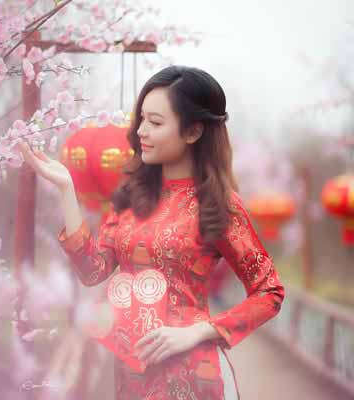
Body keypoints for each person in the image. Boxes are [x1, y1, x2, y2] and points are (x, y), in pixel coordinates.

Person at [17, 65, 285, 400]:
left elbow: (269, 291)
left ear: (192, 131)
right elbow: (92, 270)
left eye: (156, 123)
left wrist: (201, 331)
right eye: (141, 119)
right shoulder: (131, 197)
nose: (141, 130)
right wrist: (66, 188)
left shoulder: (218, 205)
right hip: (131, 376)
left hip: (194, 375)